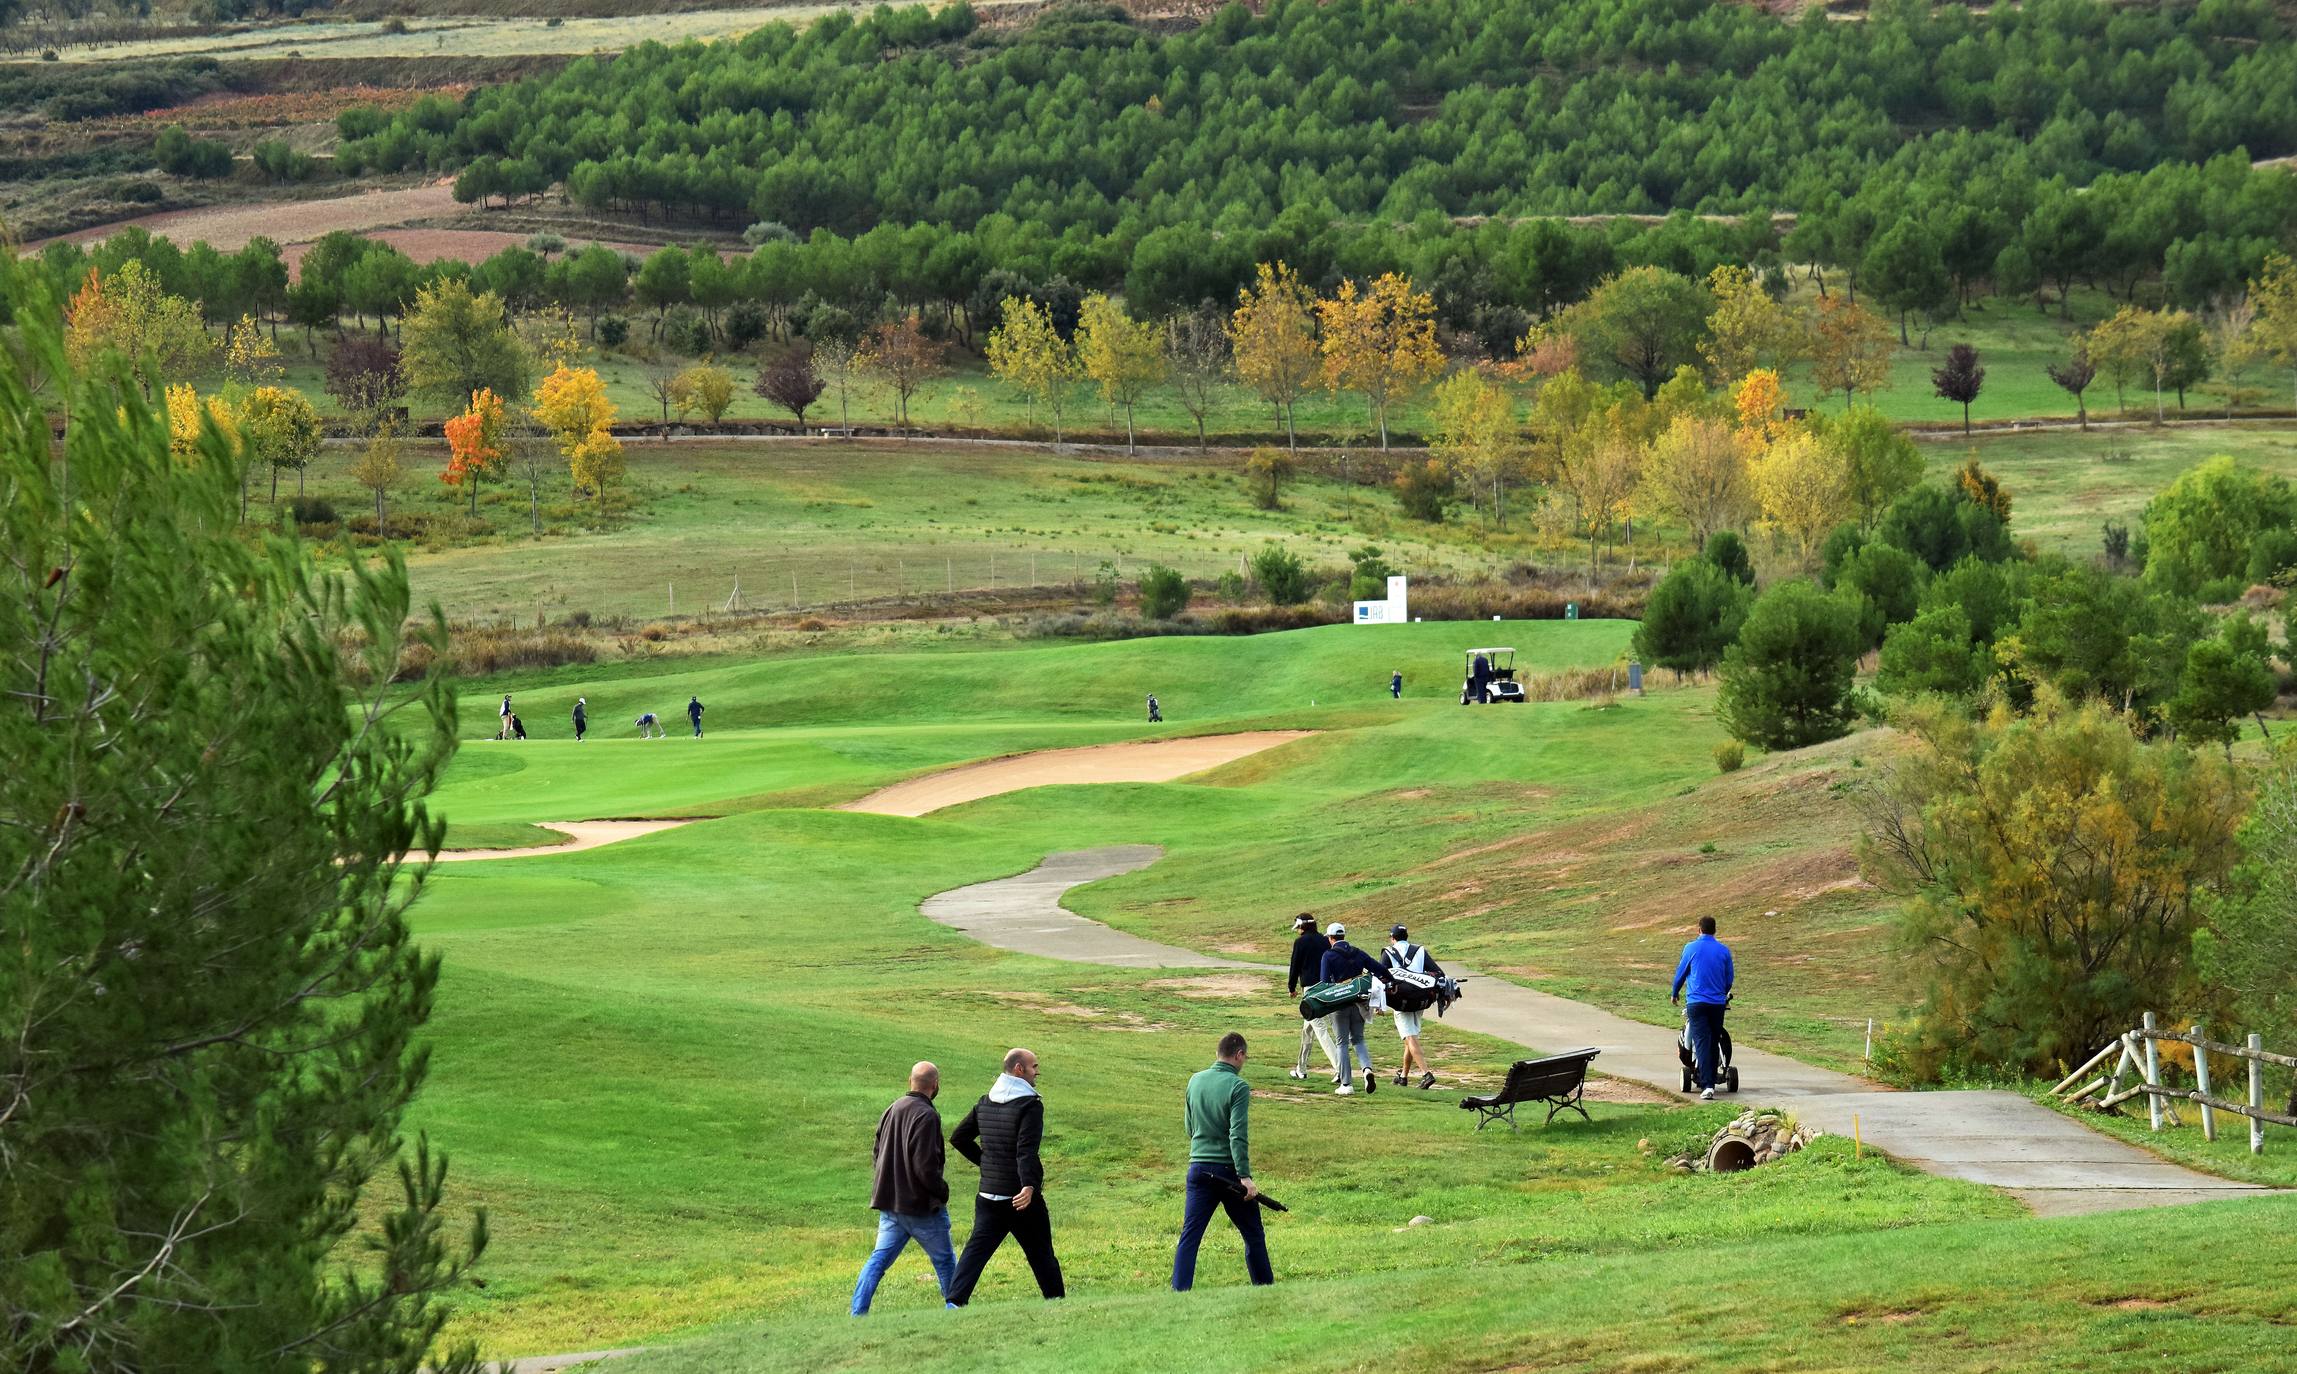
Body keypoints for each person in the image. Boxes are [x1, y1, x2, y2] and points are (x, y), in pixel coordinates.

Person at [948, 1048, 1064, 1306]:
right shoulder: (1030, 1106)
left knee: (976, 1251)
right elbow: (1026, 1151)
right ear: (1019, 1070)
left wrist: (986, 1164)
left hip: (989, 1195)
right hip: (1020, 1199)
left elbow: (959, 1138)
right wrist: (1029, 1186)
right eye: (1034, 1067)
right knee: (1042, 1254)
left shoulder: (985, 1101)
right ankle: (1057, 1303)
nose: (1038, 1072)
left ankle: (954, 1302)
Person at [850, 1062, 956, 1316]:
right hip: (922, 1208)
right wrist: (942, 1191)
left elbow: (877, 1152)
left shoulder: (892, 1109)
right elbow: (925, 1165)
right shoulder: (927, 1115)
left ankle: (858, 1312)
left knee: (878, 1260)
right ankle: (956, 1307)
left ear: (910, 1081)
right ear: (935, 1085)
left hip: (891, 1205)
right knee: (945, 1261)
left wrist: (887, 1181)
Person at [1172, 1033, 1272, 1292]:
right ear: (1238, 1055)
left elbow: (1189, 1127)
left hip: (1198, 1167)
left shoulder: (1195, 1080)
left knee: (1190, 1236)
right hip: (1228, 1172)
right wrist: (1245, 1176)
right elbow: (1237, 1135)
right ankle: (1264, 1287)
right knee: (1253, 1234)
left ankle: (1179, 1290)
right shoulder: (1237, 1087)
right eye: (1245, 1057)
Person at [1670, 915, 1735, 1101]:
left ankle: (1707, 1085)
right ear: (1715, 930)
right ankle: (1711, 1079)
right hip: (1716, 1004)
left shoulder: (1690, 948)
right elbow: (1729, 977)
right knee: (1713, 1040)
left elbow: (1681, 973)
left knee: (1702, 1042)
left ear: (1699, 930)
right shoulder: (1723, 950)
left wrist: (1675, 993)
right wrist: (1722, 993)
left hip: (1696, 1003)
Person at [1319, 923, 1383, 1095]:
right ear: (1344, 936)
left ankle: (1346, 1084)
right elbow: (1379, 969)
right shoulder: (1358, 952)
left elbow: (1325, 982)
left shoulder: (1328, 955)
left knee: (1342, 1043)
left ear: (1331, 938)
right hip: (1359, 1003)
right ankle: (1367, 1069)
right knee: (1359, 1040)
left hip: (1339, 1004)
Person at [1383, 924, 1439, 1090]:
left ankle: (1426, 1073)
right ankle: (1403, 1076)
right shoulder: (1419, 950)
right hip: (1419, 999)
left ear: (1392, 938)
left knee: (1410, 1038)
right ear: (1406, 936)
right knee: (1411, 1037)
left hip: (1400, 1001)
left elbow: (1381, 977)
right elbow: (1436, 972)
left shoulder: (1387, 952)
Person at [1285, 914, 1340, 1081]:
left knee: (1320, 1029)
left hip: (1310, 991)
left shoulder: (1300, 942)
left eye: (1299, 927)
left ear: (1303, 926)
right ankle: (1300, 1069)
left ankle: (1340, 1069)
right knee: (1307, 1029)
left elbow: (1295, 965)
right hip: (1328, 987)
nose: (1298, 931)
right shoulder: (1325, 940)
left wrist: (1291, 987)